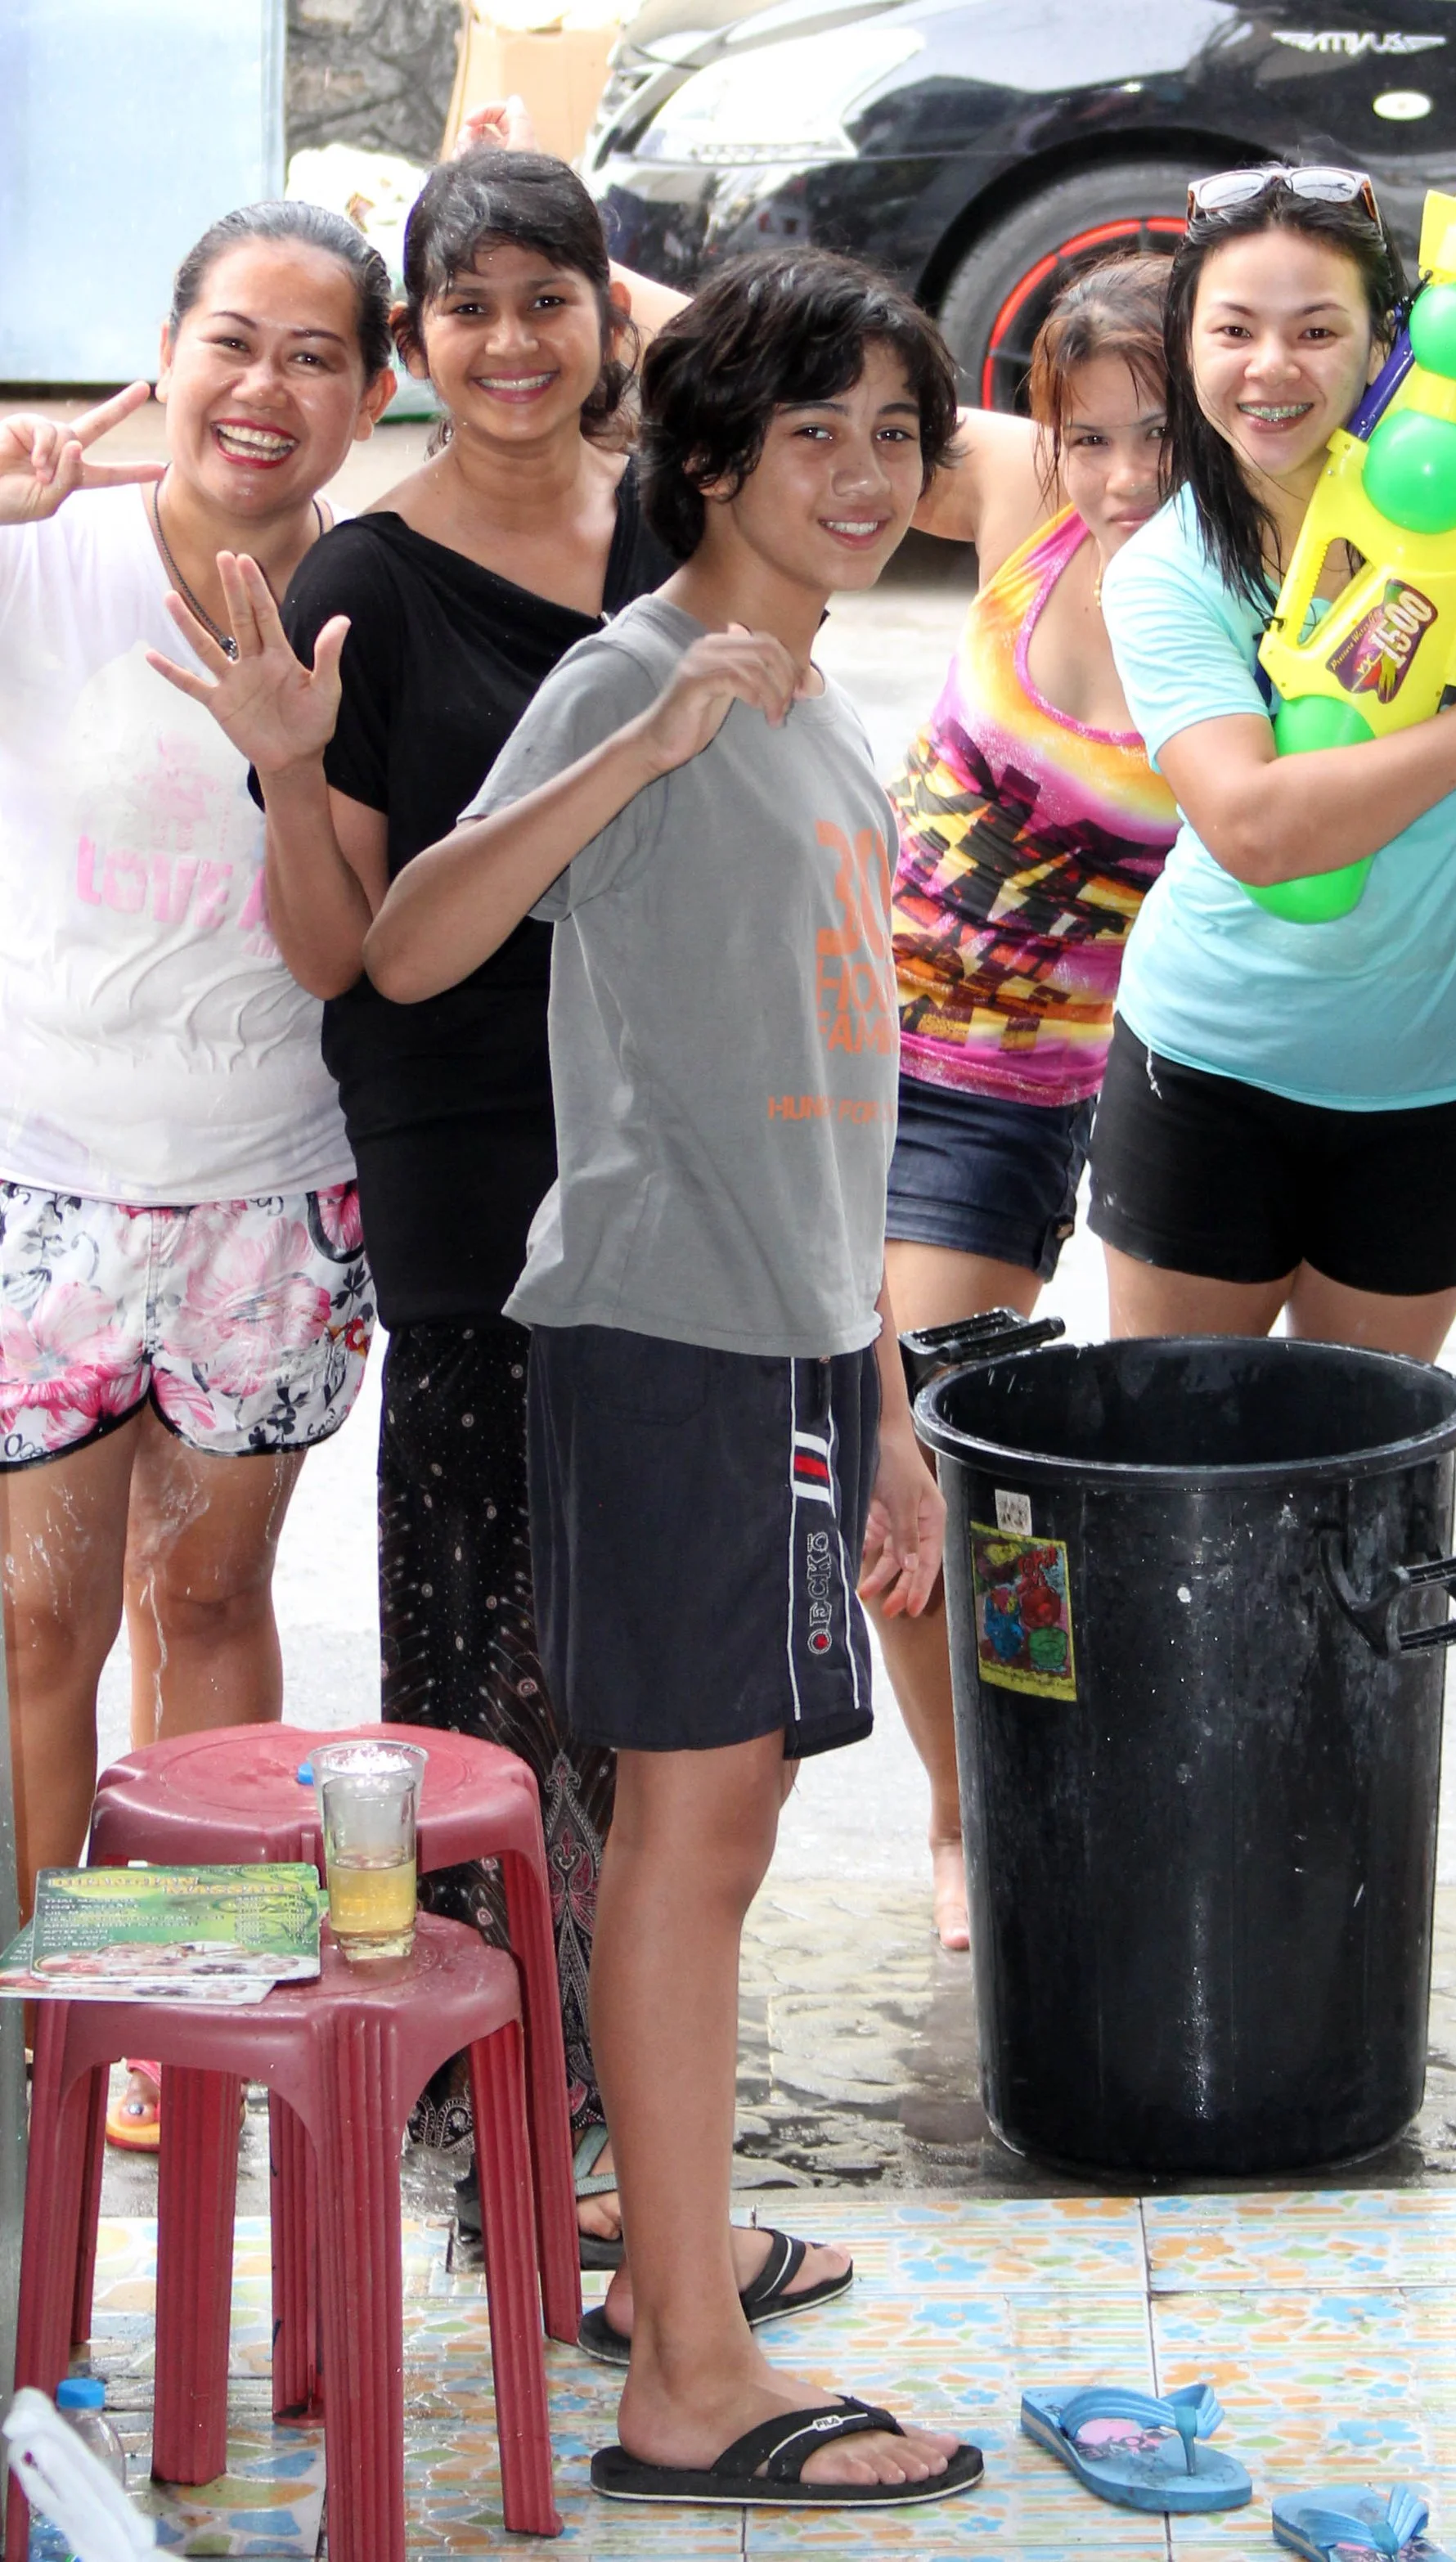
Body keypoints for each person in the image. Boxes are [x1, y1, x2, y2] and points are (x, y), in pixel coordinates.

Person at [155, 148, 841, 2312]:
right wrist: (287, 762)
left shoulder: (679, 526)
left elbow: (937, 461)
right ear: (415, 346)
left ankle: (635, 2153)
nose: (515, 344)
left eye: (554, 299)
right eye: (469, 308)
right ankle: (517, 2155)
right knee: (493, 1672)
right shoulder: (365, 565)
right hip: (481, 1181)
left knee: (682, 1690)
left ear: (604, 314)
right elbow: (346, 954)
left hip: (701, 1153)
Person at [359, 246, 982, 2509]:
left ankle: (681, 2274)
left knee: (723, 1836)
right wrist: (640, 740)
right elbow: (417, 940)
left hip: (795, 1340)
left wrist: (885, 1393)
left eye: (892, 436)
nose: (857, 473)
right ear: (706, 454)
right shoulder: (643, 675)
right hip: (649, 1327)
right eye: (808, 431)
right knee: (686, 1843)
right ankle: (689, 2374)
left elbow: (849, 1075)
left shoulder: (829, 709)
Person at [0, 202, 395, 2150]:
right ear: (162, 357)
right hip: (45, 1177)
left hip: (273, 1183)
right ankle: (40, 2014)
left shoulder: (377, 601)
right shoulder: (45, 552)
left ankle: (178, 2010)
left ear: (370, 396)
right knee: (30, 1619)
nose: (267, 389)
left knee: (208, 1592)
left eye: (316, 356)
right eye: (233, 342)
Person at [1091, 167, 1456, 1362]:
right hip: (1211, 1071)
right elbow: (1263, 831)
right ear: (1186, 345)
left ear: (1391, 345)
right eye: (1232, 330)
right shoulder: (1170, 571)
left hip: (1444, 1076)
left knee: (1358, 1489)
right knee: (1180, 1468)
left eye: (1317, 330)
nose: (1271, 367)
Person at [880, 255, 1180, 1945]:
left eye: (1161, 438)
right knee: (838, 1469)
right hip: (824, 1040)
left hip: (997, 1103)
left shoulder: (1248, 608)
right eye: (1091, 437)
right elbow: (777, 396)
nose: (1123, 476)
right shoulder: (1015, 495)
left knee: (943, 1458)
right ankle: (953, 1792)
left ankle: (978, 1809)